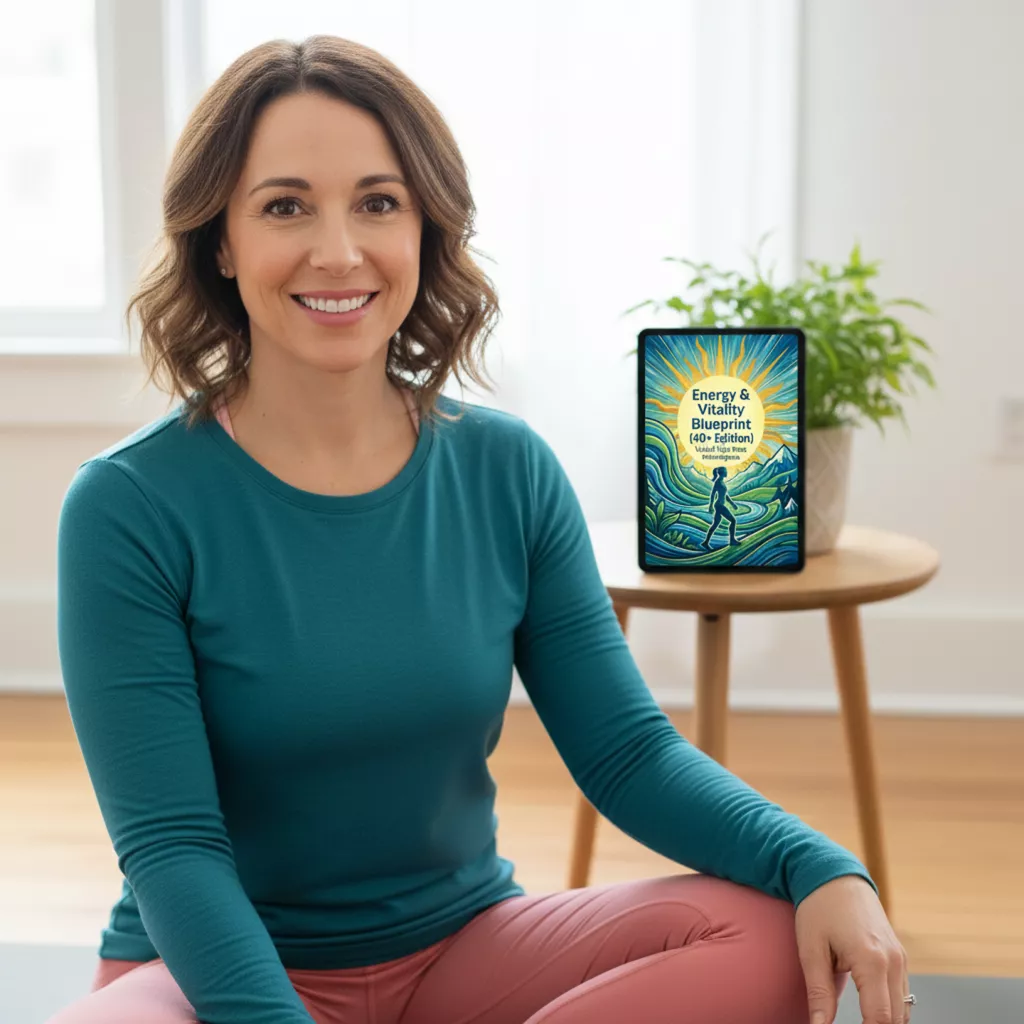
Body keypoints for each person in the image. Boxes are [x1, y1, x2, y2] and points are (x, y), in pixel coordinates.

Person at [48, 34, 913, 1024]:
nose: (338, 251)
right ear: (221, 242)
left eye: (378, 202)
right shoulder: (128, 506)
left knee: (768, 931)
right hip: (210, 978)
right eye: (285, 205)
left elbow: (625, 751)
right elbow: (174, 850)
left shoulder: (506, 469)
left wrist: (820, 863)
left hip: (461, 954)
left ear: (425, 229)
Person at [702, 465, 742, 549]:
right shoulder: (718, 482)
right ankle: (732, 540)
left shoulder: (721, 481)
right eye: (726, 471)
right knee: (733, 521)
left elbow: (725, 495)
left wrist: (732, 503)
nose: (727, 472)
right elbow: (713, 494)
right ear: (723, 473)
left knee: (715, 524)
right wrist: (710, 506)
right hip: (719, 506)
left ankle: (706, 542)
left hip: (719, 505)